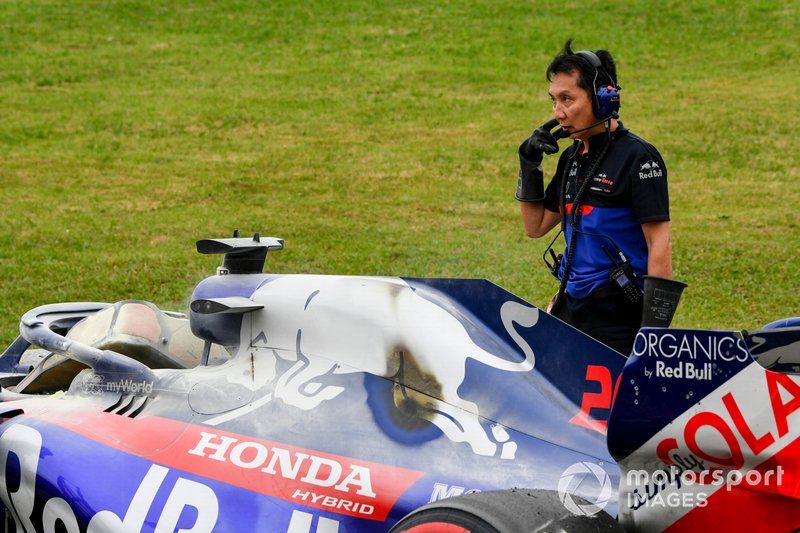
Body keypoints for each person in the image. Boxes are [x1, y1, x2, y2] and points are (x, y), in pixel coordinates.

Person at [515, 40, 672, 354]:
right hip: (571, 310)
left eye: (567, 99)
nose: (558, 113)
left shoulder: (638, 158)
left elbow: (660, 243)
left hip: (619, 320)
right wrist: (529, 164)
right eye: (554, 100)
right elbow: (536, 226)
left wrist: (652, 335)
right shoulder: (572, 158)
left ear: (603, 97)